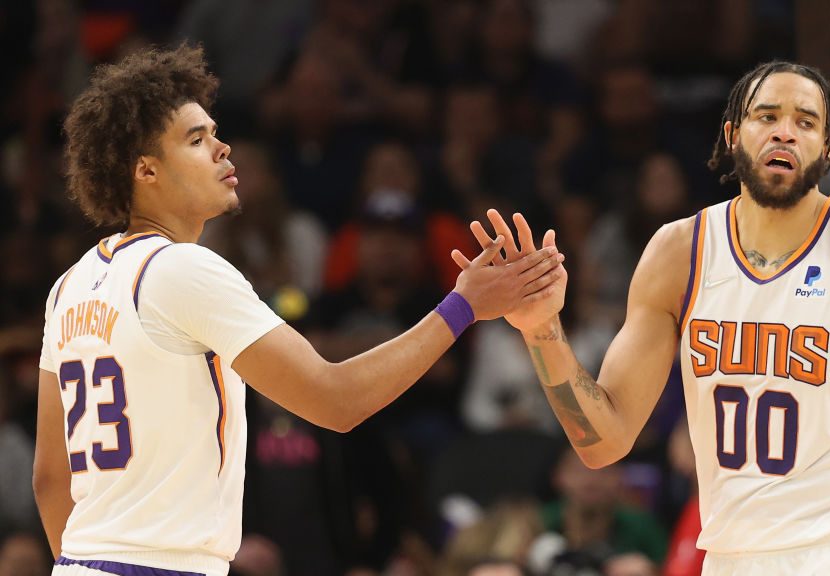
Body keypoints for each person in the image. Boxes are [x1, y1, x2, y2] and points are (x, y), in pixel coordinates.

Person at [455, 61, 830, 574]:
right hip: (728, 558)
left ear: (828, 150)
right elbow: (604, 443)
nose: (784, 130)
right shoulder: (678, 254)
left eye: (805, 121)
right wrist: (542, 332)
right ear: (732, 136)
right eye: (766, 115)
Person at [32, 44, 565, 576]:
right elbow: (337, 402)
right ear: (146, 170)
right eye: (197, 140)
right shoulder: (184, 269)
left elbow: (51, 480)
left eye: (215, 133)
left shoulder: (68, 287)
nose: (222, 149)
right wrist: (464, 305)